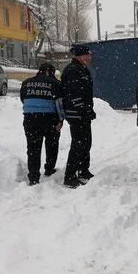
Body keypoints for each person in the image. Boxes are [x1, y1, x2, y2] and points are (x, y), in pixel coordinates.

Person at [20, 63, 64, 186]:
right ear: (51, 72)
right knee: (52, 144)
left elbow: (23, 98)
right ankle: (49, 169)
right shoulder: (55, 84)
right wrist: (61, 120)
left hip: (30, 118)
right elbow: (60, 104)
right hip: (50, 119)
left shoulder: (26, 82)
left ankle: (33, 176)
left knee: (33, 148)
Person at [62, 44, 96, 189]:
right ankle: (69, 177)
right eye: (87, 55)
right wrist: (83, 110)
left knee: (86, 142)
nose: (89, 57)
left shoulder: (82, 69)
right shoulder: (72, 71)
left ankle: (83, 170)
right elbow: (73, 93)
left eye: (89, 55)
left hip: (83, 113)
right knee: (78, 144)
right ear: (79, 56)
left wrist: (88, 110)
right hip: (76, 114)